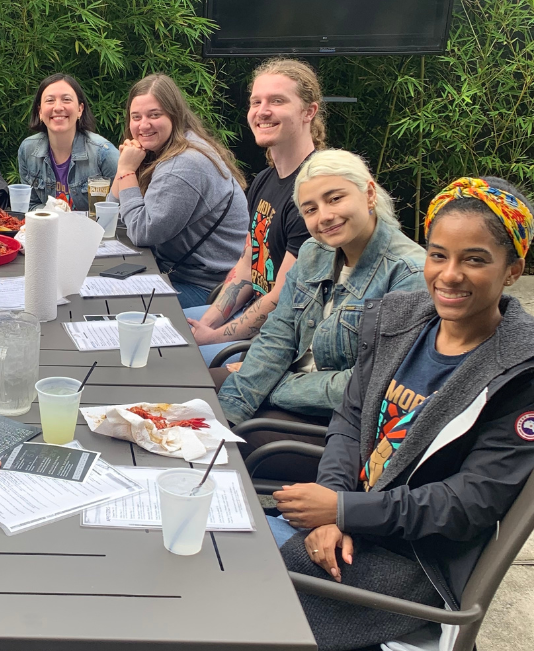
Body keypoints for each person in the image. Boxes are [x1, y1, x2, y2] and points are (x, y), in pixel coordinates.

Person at [269, 177, 534, 651]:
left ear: (512, 270)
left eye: (474, 259)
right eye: (438, 254)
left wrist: (345, 511)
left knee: (236, 601)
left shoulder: (519, 371)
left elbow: (469, 502)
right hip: (346, 529)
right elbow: (351, 420)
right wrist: (331, 506)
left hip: (410, 562)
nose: (449, 274)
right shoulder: (399, 319)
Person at [217, 149, 425, 429]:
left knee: (226, 445)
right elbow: (278, 336)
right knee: (194, 393)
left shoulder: (409, 274)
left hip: (339, 424)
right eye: (310, 209)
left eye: (335, 199)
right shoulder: (314, 252)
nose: (324, 216)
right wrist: (235, 405)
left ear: (369, 194)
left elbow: (371, 384)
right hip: (287, 385)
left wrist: (275, 389)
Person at [185, 58, 324, 361]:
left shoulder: (315, 192)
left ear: (308, 112)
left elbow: (281, 297)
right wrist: (206, 324)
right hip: (247, 320)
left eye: (277, 101)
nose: (262, 111)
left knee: (170, 359)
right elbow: (249, 263)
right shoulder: (264, 180)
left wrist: (213, 337)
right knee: (162, 330)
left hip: (280, 341)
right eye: (255, 102)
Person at [107, 73, 249, 309]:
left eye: (155, 115)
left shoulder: (184, 164)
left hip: (206, 288)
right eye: (136, 117)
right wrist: (124, 168)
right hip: (175, 271)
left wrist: (127, 171)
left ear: (175, 115)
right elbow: (114, 215)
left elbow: (143, 232)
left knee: (117, 307)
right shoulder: (166, 148)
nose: (144, 125)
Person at [17, 73, 119, 211]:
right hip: (48, 230)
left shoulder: (104, 153)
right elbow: (31, 205)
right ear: (40, 111)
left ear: (80, 109)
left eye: (66, 99)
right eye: (50, 100)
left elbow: (122, 211)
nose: (58, 107)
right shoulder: (28, 150)